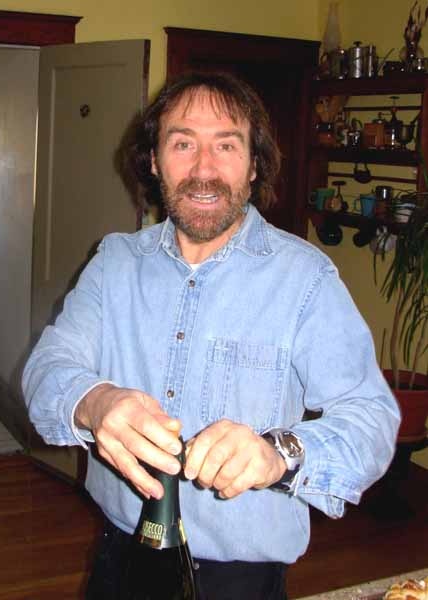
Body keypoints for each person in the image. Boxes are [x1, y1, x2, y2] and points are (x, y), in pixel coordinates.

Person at [22, 72, 400, 599]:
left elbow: (371, 419)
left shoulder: (307, 279)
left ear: (253, 165)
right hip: (119, 559)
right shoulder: (114, 262)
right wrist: (94, 401)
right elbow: (47, 368)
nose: (204, 170)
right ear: (154, 161)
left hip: (240, 581)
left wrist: (280, 453)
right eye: (183, 144)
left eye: (226, 145)